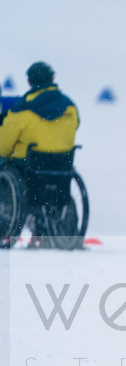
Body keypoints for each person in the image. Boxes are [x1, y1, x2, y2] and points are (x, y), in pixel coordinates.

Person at [0, 62, 79, 248]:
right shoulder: (70, 107)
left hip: (28, 165)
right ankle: (45, 229)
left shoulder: (22, 109)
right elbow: (75, 127)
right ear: (52, 79)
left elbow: (3, 145)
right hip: (61, 164)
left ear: (29, 82)